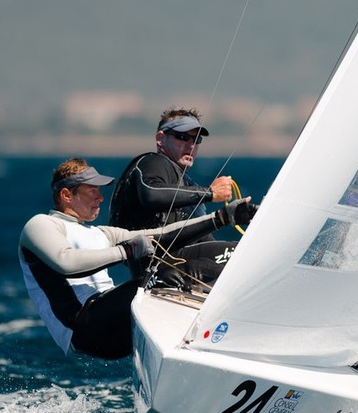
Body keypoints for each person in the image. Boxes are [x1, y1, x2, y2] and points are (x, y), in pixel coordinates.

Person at [18, 157, 256, 359]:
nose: (100, 198)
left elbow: (161, 236)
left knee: (193, 268)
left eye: (100, 192)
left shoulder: (101, 233)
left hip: (114, 326)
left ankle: (215, 348)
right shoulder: (40, 225)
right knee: (160, 278)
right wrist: (126, 251)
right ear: (66, 195)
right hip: (83, 326)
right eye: (92, 192)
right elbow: (66, 263)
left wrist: (222, 217)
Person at [109, 107, 245, 288]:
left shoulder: (188, 184)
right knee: (246, 254)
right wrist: (210, 193)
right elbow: (151, 193)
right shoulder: (153, 162)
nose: (190, 145)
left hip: (175, 265)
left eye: (196, 139)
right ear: (160, 138)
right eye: (182, 137)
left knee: (245, 252)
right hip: (157, 266)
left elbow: (203, 240)